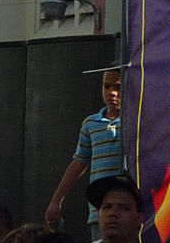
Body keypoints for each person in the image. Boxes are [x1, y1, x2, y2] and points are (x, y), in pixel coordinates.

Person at [45, 67, 123, 232]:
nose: (111, 93)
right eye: (106, 86)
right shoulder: (91, 124)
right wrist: (56, 200)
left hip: (127, 210)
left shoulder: (137, 121)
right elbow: (79, 162)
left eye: (118, 87)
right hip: (99, 210)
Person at [82, 175, 143, 243]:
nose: (112, 213)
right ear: (98, 215)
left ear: (139, 219)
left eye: (124, 208)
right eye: (107, 207)